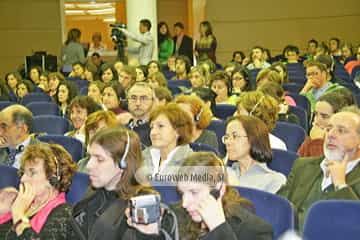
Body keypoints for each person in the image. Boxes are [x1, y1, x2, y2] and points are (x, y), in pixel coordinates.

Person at [70, 127, 172, 239]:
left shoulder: (142, 206)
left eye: (99, 159)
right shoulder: (94, 193)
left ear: (123, 163)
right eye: (89, 157)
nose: (89, 165)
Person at [278, 109, 360, 231]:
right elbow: (278, 207)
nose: (331, 135)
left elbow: (355, 225)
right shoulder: (302, 165)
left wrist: (341, 184)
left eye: (341, 131)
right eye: (328, 129)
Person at [170, 151, 273, 239]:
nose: (184, 203)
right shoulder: (173, 215)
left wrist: (218, 228)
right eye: (182, 193)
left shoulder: (254, 231)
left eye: (194, 192)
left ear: (220, 189)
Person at [0, 142, 77, 239]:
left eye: (32, 173)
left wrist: (19, 215)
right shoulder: (23, 202)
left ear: (52, 179)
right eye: (23, 172)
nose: (23, 179)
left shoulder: (64, 214)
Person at [224, 115, 286, 193]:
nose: (227, 142)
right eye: (226, 137)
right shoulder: (222, 172)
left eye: (235, 136)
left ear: (253, 138)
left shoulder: (275, 179)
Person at [298, 89, 354, 157]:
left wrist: (318, 142)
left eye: (324, 116)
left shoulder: (347, 145)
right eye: (315, 114)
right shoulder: (313, 136)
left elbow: (321, 166)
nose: (317, 120)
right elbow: (297, 164)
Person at [142, 103, 193, 176]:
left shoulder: (191, 163)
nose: (153, 132)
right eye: (152, 127)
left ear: (178, 131)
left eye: (160, 126)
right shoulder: (143, 157)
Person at [124, 82, 155, 148]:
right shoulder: (120, 131)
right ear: (127, 101)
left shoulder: (156, 131)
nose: (138, 103)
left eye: (143, 98)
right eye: (133, 98)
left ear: (153, 102)